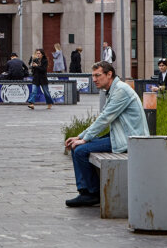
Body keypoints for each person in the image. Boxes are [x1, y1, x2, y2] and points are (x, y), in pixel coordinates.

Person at [64, 61, 150, 207]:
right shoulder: (115, 89)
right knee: (76, 146)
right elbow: (104, 117)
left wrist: (84, 139)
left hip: (130, 139)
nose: (94, 79)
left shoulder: (121, 90)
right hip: (121, 135)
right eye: (93, 76)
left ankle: (91, 193)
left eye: (98, 75)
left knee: (79, 151)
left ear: (109, 74)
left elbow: (105, 119)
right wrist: (80, 137)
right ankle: (85, 191)